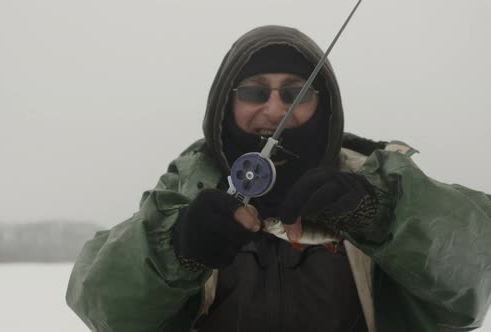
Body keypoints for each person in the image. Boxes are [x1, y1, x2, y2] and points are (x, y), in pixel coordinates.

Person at [66, 25, 491, 332]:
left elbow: (473, 281)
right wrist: (176, 251)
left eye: (296, 93)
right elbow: (100, 304)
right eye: (253, 91)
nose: (274, 110)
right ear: (225, 107)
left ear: (321, 107)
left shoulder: (381, 184)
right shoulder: (181, 195)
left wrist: (383, 216)